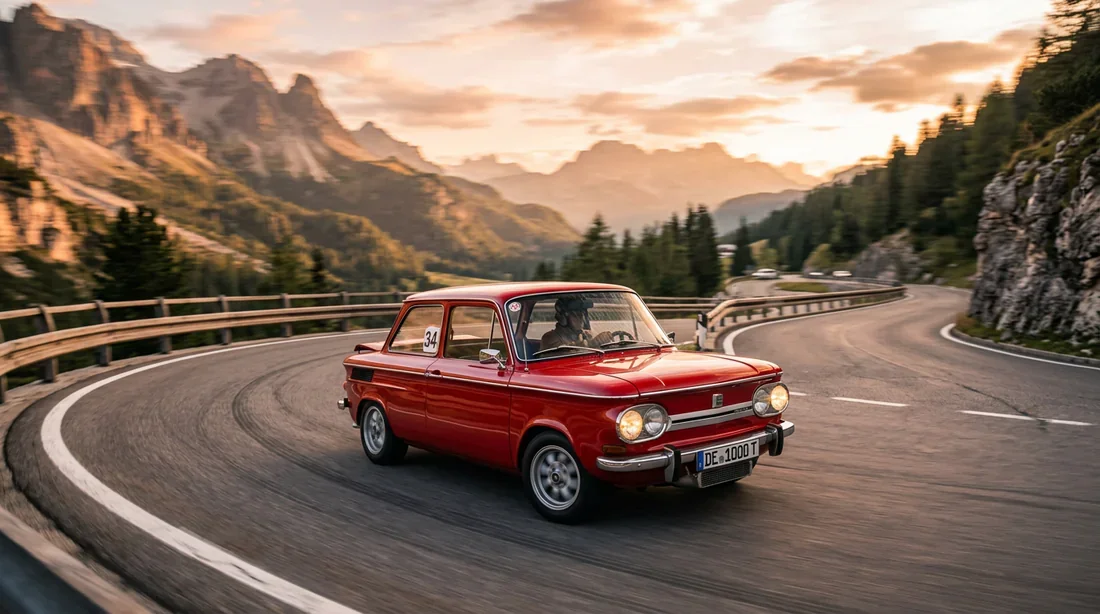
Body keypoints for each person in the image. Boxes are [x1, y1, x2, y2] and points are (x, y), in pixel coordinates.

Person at [540, 296, 612, 351]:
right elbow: (561, 355)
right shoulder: (550, 337)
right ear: (563, 317)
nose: (581, 318)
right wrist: (590, 344)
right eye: (576, 315)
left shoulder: (586, 334)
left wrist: (604, 343)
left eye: (582, 314)